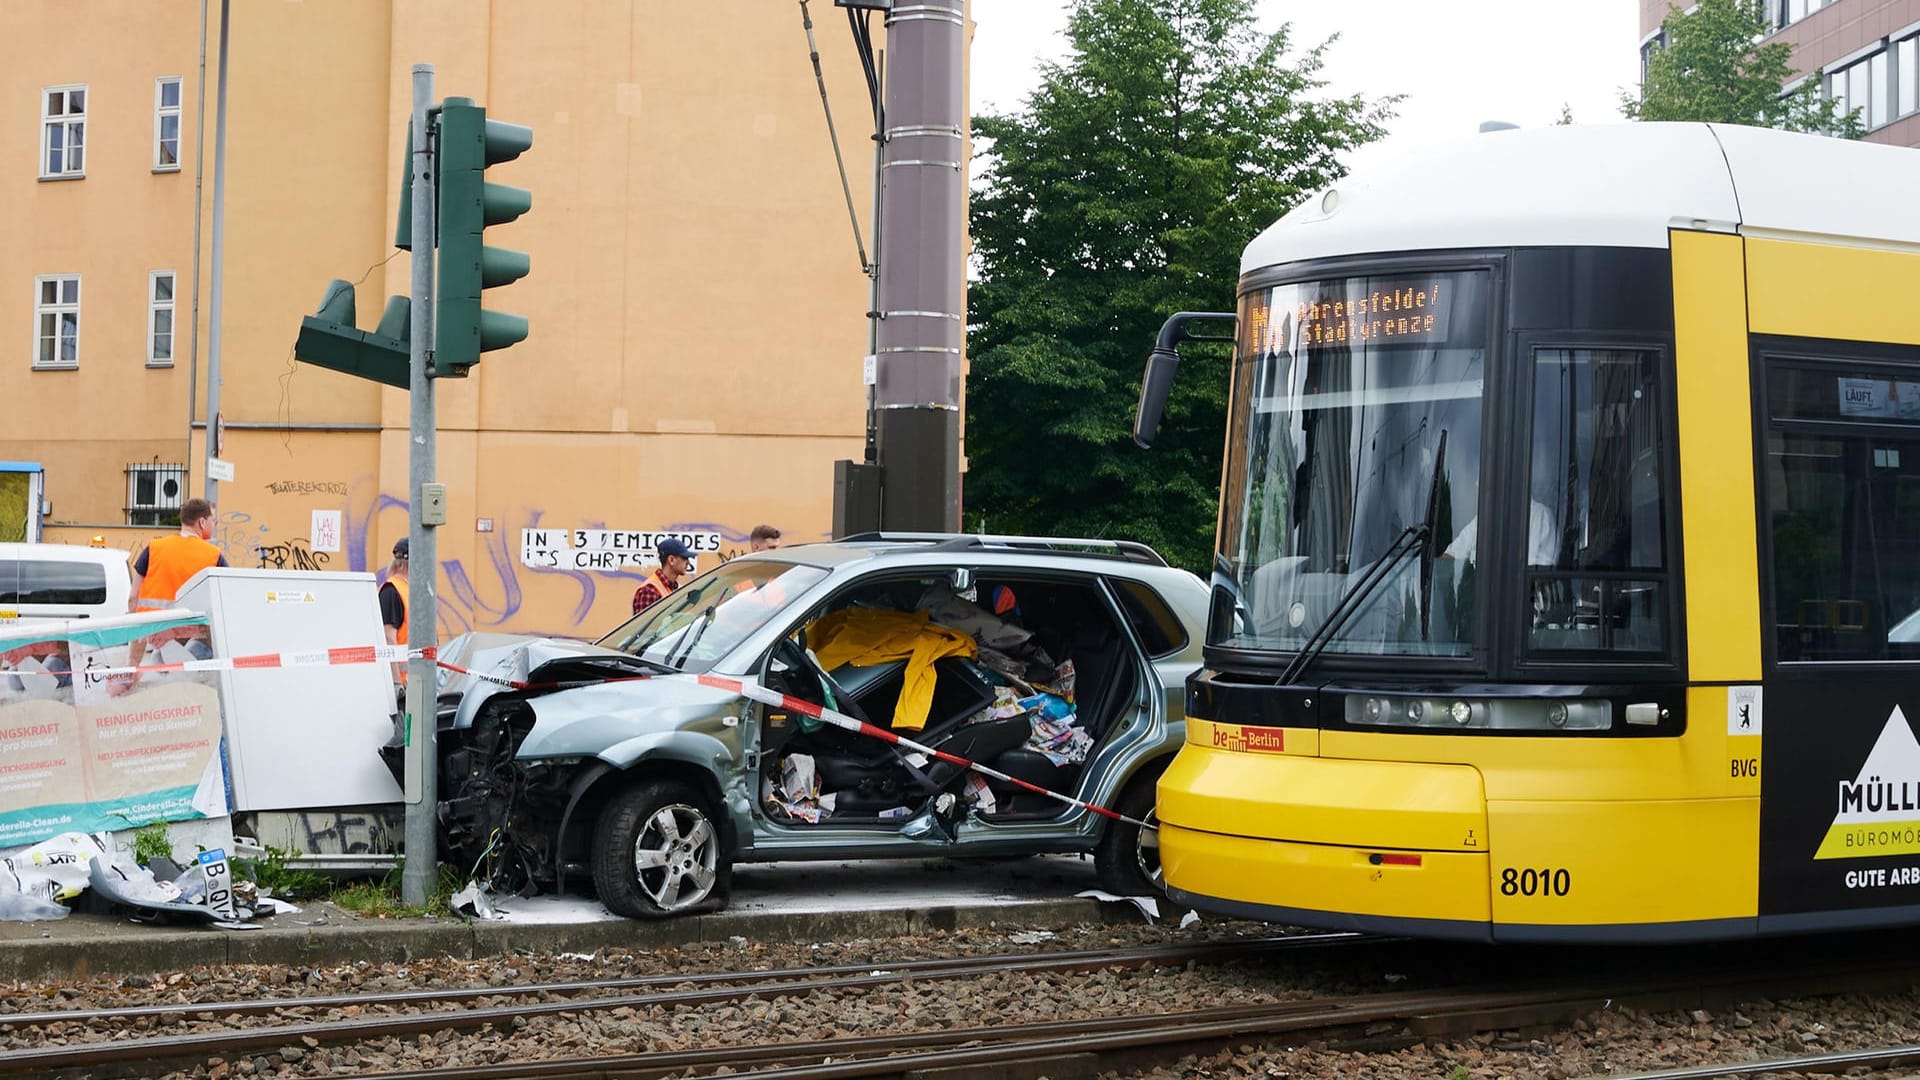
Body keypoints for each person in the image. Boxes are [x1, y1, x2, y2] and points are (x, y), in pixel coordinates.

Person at [129, 497, 226, 610]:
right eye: (213, 521)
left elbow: (133, 597)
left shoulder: (153, 548)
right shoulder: (213, 555)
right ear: (202, 522)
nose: (214, 525)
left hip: (151, 626)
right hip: (192, 627)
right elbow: (228, 595)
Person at [632, 537, 694, 614]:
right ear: (671, 560)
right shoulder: (649, 590)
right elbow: (645, 625)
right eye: (684, 558)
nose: (688, 563)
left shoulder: (675, 588)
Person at [378, 538, 409, 687]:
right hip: (401, 685)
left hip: (414, 683)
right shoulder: (391, 591)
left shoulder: (408, 590)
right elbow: (388, 639)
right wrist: (397, 685)